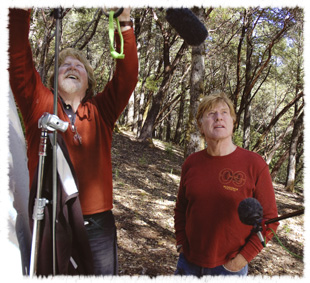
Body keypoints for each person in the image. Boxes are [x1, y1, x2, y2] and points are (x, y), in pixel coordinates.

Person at [8, 7, 138, 275]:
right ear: (54, 78)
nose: (71, 67)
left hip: (98, 228)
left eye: (79, 66)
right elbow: (19, 60)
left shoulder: (101, 111)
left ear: (88, 81)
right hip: (51, 224)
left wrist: (123, 23)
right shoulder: (38, 105)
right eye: (64, 64)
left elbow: (128, 77)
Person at [174, 92, 279, 277]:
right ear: (201, 125)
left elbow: (270, 220)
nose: (218, 117)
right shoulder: (191, 162)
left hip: (228, 269)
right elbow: (181, 208)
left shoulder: (254, 164)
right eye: (211, 113)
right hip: (187, 264)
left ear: (233, 122)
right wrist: (181, 242)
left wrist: (242, 260)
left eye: (224, 112)